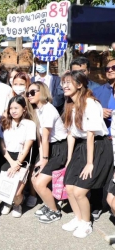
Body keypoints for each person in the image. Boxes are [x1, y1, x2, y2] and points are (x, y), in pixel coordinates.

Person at [61, 71, 113, 238]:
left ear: (79, 84)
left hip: (99, 146)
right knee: (69, 186)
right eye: (63, 83)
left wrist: (90, 163)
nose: (65, 85)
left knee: (79, 191)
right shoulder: (69, 104)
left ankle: (86, 223)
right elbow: (71, 134)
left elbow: (91, 134)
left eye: (69, 82)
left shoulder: (90, 103)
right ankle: (78, 218)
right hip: (81, 147)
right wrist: (69, 159)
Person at [27, 82, 68, 223]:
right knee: (34, 179)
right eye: (28, 93)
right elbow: (41, 139)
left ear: (42, 92)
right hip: (47, 148)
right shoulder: (38, 110)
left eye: (33, 92)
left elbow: (45, 137)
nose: (29, 95)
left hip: (59, 148)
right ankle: (49, 205)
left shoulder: (48, 110)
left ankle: (55, 212)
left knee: (39, 183)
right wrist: (41, 156)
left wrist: (44, 159)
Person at [0, 95, 36, 218]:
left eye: (16, 108)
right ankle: (8, 202)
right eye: (11, 108)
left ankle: (17, 204)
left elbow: (28, 145)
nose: (13, 111)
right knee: (7, 187)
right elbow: (2, 145)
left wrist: (18, 163)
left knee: (18, 192)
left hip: (22, 158)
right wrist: (11, 162)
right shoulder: (4, 122)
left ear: (24, 109)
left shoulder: (29, 124)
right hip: (8, 158)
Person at [88, 59, 115, 221]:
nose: (110, 70)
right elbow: (88, 111)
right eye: (107, 68)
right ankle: (97, 205)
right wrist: (99, 112)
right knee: (99, 172)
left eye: (114, 67)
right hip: (104, 140)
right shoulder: (98, 91)